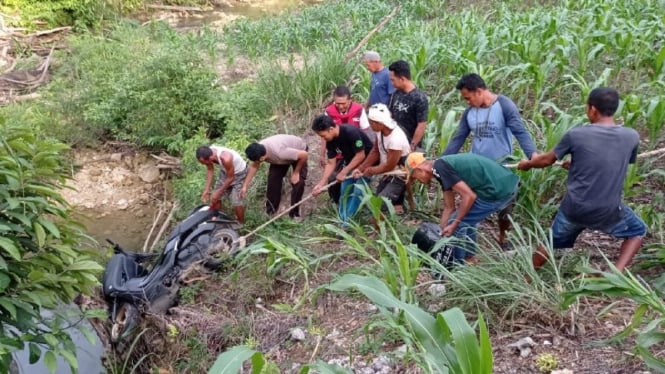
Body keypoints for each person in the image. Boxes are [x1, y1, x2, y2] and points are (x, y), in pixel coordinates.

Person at [517, 87, 647, 272]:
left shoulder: (576, 135)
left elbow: (546, 160)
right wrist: (579, 164)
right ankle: (615, 275)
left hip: (575, 208)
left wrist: (527, 164)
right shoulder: (631, 136)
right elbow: (614, 161)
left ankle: (528, 278)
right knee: (637, 231)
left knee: (550, 242)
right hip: (607, 209)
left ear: (592, 109)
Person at [442, 73, 538, 248]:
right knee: (470, 206)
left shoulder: (504, 105)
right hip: (477, 169)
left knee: (505, 209)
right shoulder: (469, 112)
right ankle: (469, 249)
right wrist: (442, 161)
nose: (467, 102)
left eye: (468, 98)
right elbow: (459, 138)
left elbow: (520, 131)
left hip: (500, 167)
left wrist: (533, 155)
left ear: (479, 91)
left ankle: (503, 237)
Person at [406, 152, 519, 263]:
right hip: (502, 184)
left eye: (414, 177)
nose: (417, 180)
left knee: (457, 224)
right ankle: (469, 257)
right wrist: (440, 233)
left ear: (419, 169)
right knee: (464, 219)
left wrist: (454, 224)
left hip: (498, 189)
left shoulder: (440, 168)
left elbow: (469, 196)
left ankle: (458, 265)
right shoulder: (439, 167)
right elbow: (449, 207)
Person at [311, 115, 373, 226]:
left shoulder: (351, 132)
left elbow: (360, 155)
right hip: (350, 163)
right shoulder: (331, 140)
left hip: (366, 164)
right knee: (344, 192)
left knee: (357, 192)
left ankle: (347, 224)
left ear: (330, 129)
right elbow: (331, 163)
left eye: (323, 136)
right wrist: (321, 184)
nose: (323, 139)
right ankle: (342, 220)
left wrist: (344, 172)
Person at [353, 103, 411, 213]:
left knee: (380, 204)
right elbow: (376, 151)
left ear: (380, 123)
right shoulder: (380, 131)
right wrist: (361, 168)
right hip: (388, 172)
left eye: (371, 123)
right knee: (375, 201)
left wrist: (371, 170)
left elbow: (390, 165)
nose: (370, 126)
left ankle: (383, 222)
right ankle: (395, 207)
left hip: (398, 174)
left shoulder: (395, 139)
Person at [322, 85, 371, 204]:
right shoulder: (329, 112)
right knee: (333, 177)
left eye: (343, 103)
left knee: (354, 177)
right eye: (337, 103)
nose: (340, 106)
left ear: (350, 100)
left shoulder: (359, 110)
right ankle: (337, 202)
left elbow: (365, 131)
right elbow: (325, 136)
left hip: (357, 151)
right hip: (338, 151)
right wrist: (322, 153)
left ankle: (356, 202)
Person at [241, 135, 308, 219]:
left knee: (298, 183)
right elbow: (254, 166)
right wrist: (245, 185)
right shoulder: (258, 150)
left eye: (257, 161)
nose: (256, 162)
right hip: (281, 156)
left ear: (262, 158)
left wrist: (296, 173)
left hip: (298, 152)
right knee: (273, 181)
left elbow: (304, 155)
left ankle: (294, 214)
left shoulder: (279, 152)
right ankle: (270, 212)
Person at [196, 145, 248, 223]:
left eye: (204, 163)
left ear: (210, 158)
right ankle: (216, 218)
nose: (204, 164)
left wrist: (219, 192)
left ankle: (241, 223)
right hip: (226, 172)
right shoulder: (207, 153)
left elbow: (231, 178)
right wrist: (206, 190)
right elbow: (210, 169)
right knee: (215, 198)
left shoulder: (226, 158)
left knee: (236, 200)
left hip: (239, 173)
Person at [387, 60, 429, 151]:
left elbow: (421, 125)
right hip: (396, 142)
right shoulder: (396, 93)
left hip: (410, 144)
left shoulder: (419, 98)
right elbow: (390, 114)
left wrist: (412, 146)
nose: (391, 84)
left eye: (393, 80)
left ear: (402, 79)